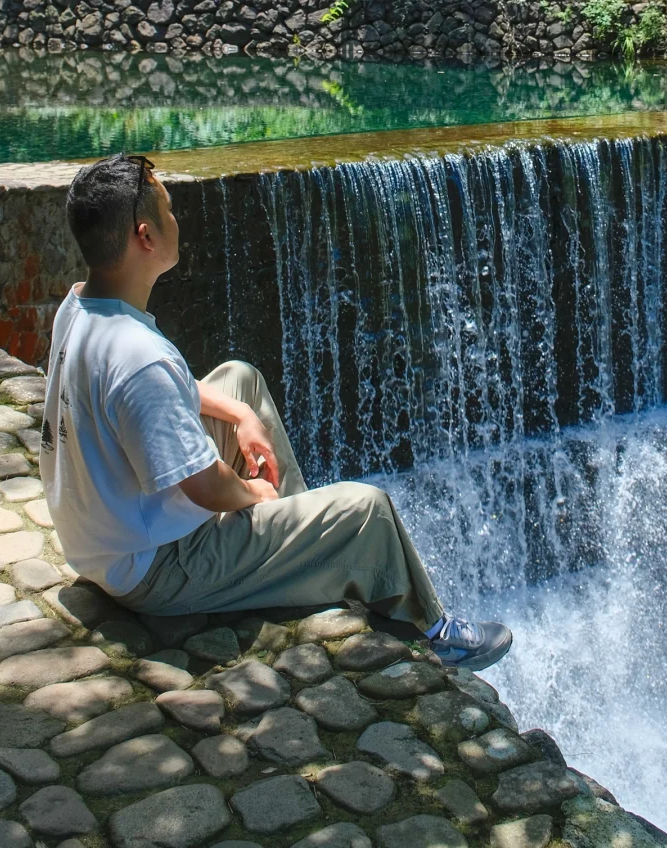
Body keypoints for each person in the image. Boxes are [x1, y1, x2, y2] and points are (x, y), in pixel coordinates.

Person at [40, 151, 512, 671]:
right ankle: (433, 634)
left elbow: (149, 395)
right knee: (367, 511)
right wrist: (253, 493)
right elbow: (203, 485)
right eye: (170, 211)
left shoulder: (82, 308)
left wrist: (241, 416)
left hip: (106, 537)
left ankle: (297, 543)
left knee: (239, 382)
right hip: (154, 567)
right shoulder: (138, 355)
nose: (180, 220)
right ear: (146, 236)